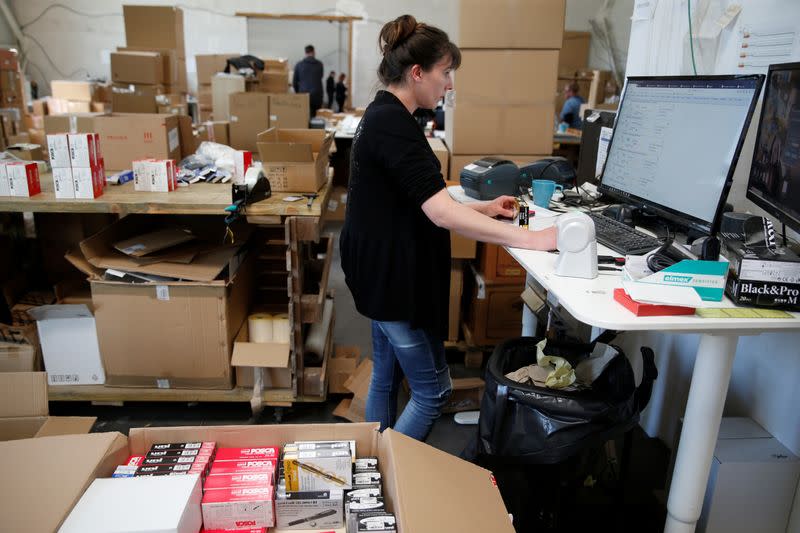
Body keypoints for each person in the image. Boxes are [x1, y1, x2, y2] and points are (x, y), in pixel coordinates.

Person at [340, 15, 557, 442]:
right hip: (392, 279)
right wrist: (530, 238)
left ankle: (376, 465)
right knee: (431, 393)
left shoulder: (385, 114)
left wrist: (483, 206)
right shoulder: (393, 123)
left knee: (385, 376)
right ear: (417, 73)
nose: (450, 84)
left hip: (376, 272)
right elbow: (440, 213)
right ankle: (392, 475)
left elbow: (418, 196)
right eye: (445, 72)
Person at [293, 44, 324, 119]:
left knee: (304, 118)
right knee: (317, 118)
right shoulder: (319, 64)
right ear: (314, 52)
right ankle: (316, 130)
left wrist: (299, 93)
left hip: (303, 95)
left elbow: (294, 82)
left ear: (305, 53)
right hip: (317, 95)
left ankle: (305, 131)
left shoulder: (299, 65)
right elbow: (321, 76)